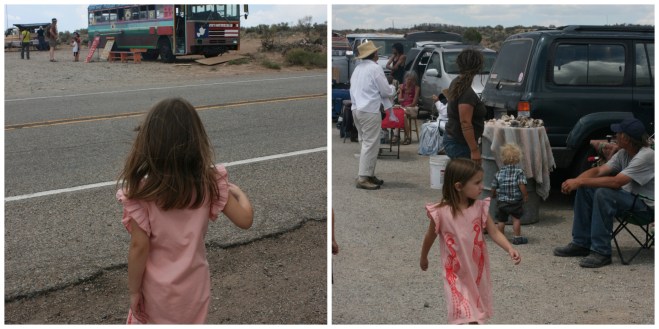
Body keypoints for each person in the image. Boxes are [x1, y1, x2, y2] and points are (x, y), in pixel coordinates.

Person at [116, 97, 254, 323]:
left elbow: (139, 247)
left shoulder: (142, 194)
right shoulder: (209, 184)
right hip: (195, 288)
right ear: (196, 140)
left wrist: (134, 291)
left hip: (157, 291)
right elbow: (245, 220)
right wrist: (239, 193)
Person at [420, 158, 521, 324]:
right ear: (459, 186)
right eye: (477, 183)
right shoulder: (441, 212)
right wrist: (423, 257)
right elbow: (429, 236)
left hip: (476, 273)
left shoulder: (480, 208)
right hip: (455, 274)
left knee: (476, 315)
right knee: (462, 314)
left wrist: (509, 248)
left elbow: (494, 232)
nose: (482, 186)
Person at [554, 118, 654, 268]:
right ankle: (581, 243)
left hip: (645, 209)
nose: (615, 136)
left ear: (626, 138)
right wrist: (575, 181)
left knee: (604, 193)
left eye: (618, 133)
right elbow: (600, 170)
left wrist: (579, 182)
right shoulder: (624, 153)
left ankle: (601, 251)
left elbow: (616, 182)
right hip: (629, 201)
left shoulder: (646, 155)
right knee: (586, 188)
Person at [350, 41, 396, 190]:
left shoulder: (358, 69)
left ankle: (368, 173)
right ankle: (363, 177)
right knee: (371, 144)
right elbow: (385, 91)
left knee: (365, 142)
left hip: (356, 108)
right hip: (369, 109)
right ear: (374, 54)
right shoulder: (375, 68)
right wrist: (393, 88)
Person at [443, 49, 487, 164]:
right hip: (460, 144)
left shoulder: (456, 82)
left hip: (453, 139)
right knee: (466, 180)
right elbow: (465, 122)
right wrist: (474, 150)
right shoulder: (466, 92)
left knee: (461, 179)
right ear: (478, 68)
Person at [491, 144, 529, 245]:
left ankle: (500, 238)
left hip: (502, 201)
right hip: (515, 201)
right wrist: (525, 195)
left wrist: (493, 194)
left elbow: (494, 186)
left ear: (503, 159)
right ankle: (517, 238)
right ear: (518, 158)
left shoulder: (499, 173)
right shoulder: (519, 172)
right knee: (516, 219)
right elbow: (521, 185)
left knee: (501, 220)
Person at [397, 71, 420, 145]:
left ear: (414, 81)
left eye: (411, 80)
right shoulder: (401, 87)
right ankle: (407, 137)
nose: (409, 81)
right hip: (404, 109)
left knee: (401, 113)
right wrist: (401, 92)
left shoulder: (416, 88)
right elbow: (399, 100)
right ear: (405, 79)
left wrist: (405, 106)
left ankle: (396, 135)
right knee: (403, 115)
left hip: (412, 108)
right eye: (408, 79)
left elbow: (414, 103)